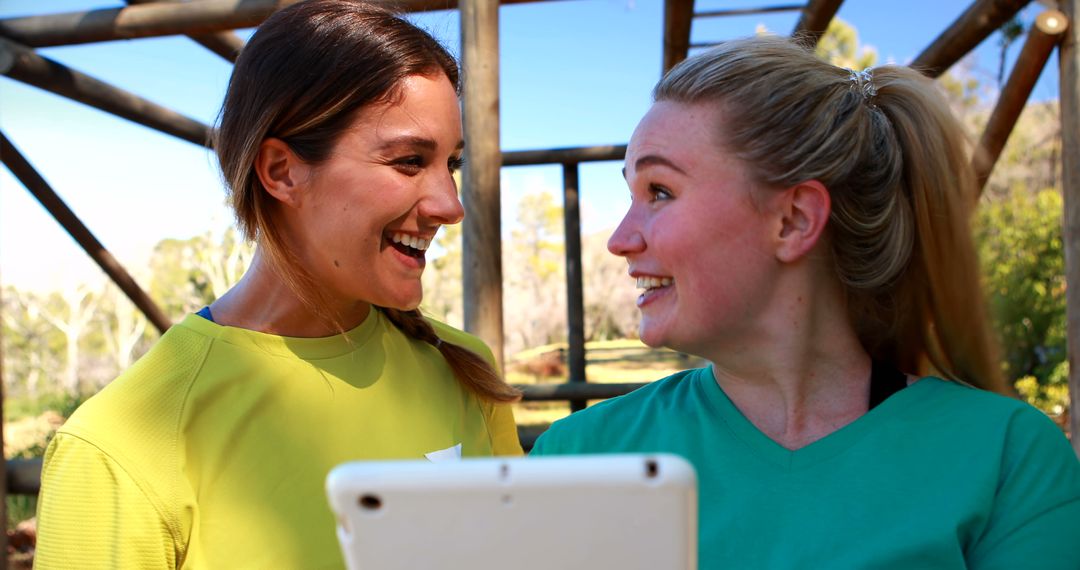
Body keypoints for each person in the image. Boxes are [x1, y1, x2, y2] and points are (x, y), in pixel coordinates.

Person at [532, 35, 1080, 568]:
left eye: (660, 192)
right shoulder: (579, 456)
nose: (620, 239)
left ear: (793, 220)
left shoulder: (1008, 459)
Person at [34, 1, 522, 567]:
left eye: (451, 166)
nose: (450, 205)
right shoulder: (116, 447)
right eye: (410, 161)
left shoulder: (464, 372)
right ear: (281, 172)